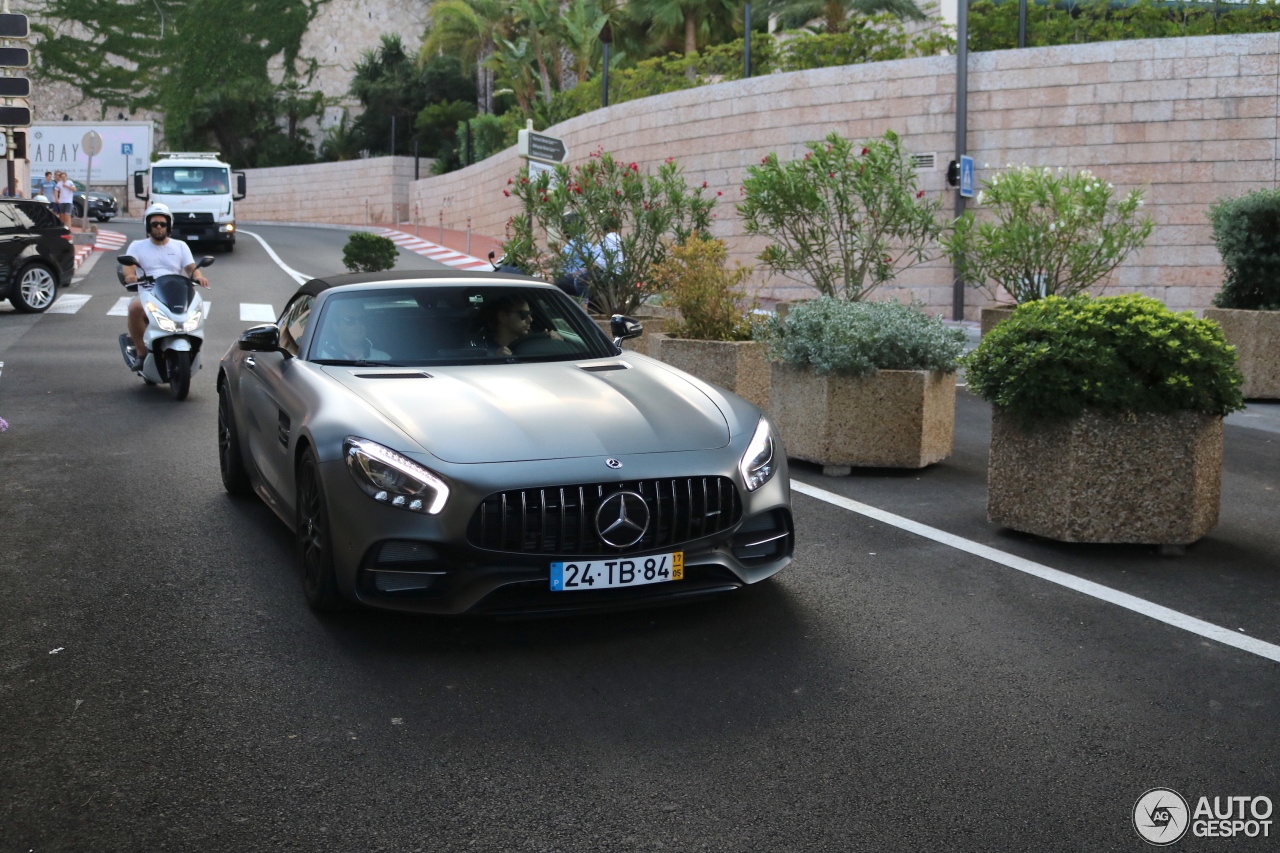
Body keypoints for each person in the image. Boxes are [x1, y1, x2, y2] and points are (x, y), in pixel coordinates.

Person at [121, 204, 210, 370]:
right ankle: (141, 354)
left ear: (169, 226)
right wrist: (130, 276)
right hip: (149, 291)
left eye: (163, 224)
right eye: (155, 224)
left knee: (195, 310)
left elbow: (191, 268)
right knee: (134, 308)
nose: (159, 227)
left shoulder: (180, 246)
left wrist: (199, 277)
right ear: (148, 226)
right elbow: (128, 266)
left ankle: (194, 352)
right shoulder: (137, 245)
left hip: (176, 291)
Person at [474, 294, 562, 356]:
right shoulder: (481, 352)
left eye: (530, 314)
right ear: (503, 317)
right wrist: (494, 359)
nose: (530, 319)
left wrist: (553, 342)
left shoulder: (534, 345)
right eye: (523, 314)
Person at [314, 299, 390, 362]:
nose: (358, 325)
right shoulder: (321, 358)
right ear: (336, 327)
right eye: (350, 320)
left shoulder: (384, 359)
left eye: (362, 320)